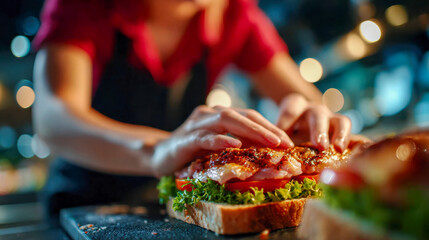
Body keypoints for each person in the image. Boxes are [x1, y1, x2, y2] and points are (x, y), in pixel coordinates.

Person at [32, 0, 353, 218]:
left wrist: (313, 118)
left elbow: (306, 101)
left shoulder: (234, 13)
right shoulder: (83, 6)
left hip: (168, 203)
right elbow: (53, 119)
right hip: (85, 203)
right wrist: (158, 150)